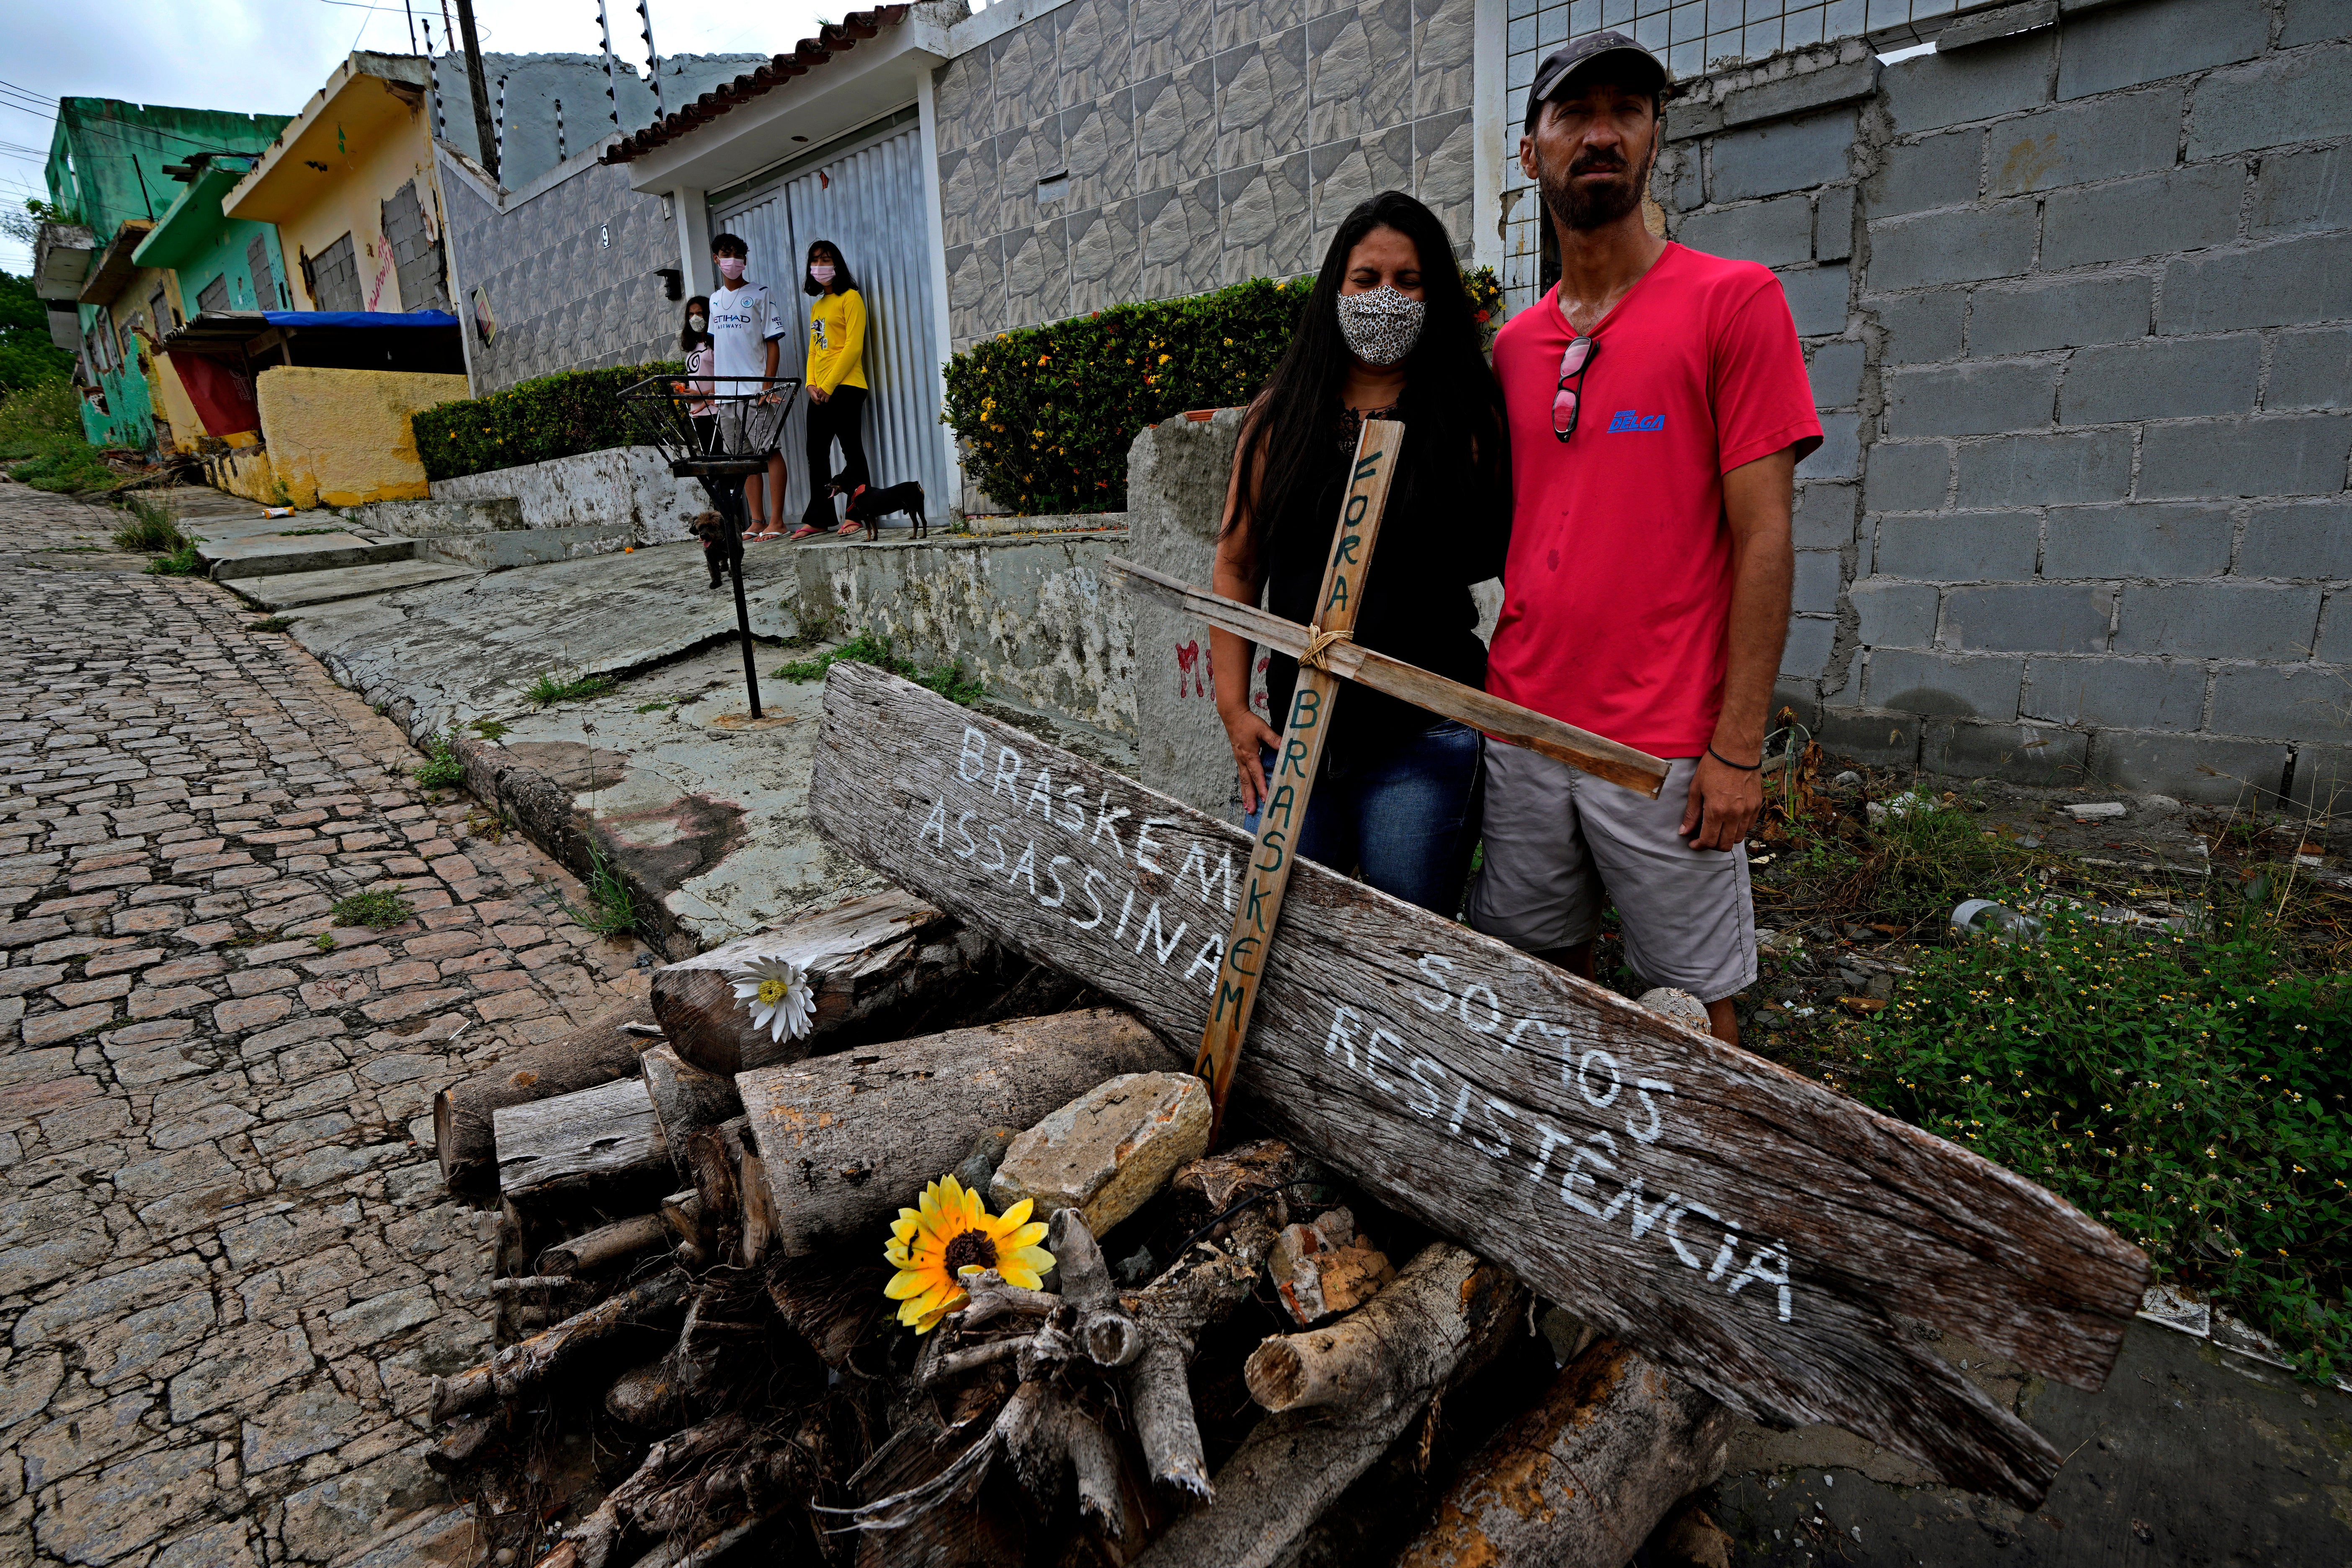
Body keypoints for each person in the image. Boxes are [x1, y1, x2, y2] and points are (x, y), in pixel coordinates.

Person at [1467, 32, 1821, 1044]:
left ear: (1655, 137)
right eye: (1574, 115)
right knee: (1544, 983)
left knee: (1697, 1010)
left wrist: (1736, 750)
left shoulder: (1731, 302)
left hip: (1663, 745)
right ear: (1530, 153)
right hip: (1526, 724)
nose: (1601, 133)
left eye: (1625, 110)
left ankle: (1702, 1187)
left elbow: (1766, 538)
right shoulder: (1517, 346)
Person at [1210, 191, 1512, 915]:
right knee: (1273, 928)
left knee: (1400, 944)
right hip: (1296, 731)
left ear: (1433, 292)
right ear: (1335, 289)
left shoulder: (1467, 415)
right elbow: (1237, 563)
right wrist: (1232, 705)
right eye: (1366, 279)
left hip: (1423, 738)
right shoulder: (1280, 418)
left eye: (1408, 281)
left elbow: (1511, 557)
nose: (1386, 298)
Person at [705, 232, 791, 540]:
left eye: (738, 255)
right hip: (727, 396)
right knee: (743, 459)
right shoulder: (714, 300)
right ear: (716, 259)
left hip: (756, 393)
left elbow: (773, 344)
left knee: (769, 453)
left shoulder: (760, 294)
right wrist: (715, 390)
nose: (732, 261)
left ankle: (777, 522)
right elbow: (718, 350)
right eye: (726, 254)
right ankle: (757, 521)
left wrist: (766, 387)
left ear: (745, 259)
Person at [789, 239, 873, 541]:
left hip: (847, 387)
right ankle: (820, 517)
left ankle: (857, 513)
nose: (820, 265)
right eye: (815, 260)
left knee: (851, 450)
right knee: (816, 454)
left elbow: (853, 346)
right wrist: (812, 384)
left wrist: (828, 385)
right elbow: (814, 350)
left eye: (826, 259)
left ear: (836, 263)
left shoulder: (850, 298)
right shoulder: (818, 306)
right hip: (820, 391)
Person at [678, 294, 716, 455]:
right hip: (697, 413)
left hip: (715, 410)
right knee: (708, 459)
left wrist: (700, 395)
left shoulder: (716, 344)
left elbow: (723, 380)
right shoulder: (693, 347)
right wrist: (684, 389)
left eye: (700, 314)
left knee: (719, 456)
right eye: (691, 315)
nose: (695, 318)